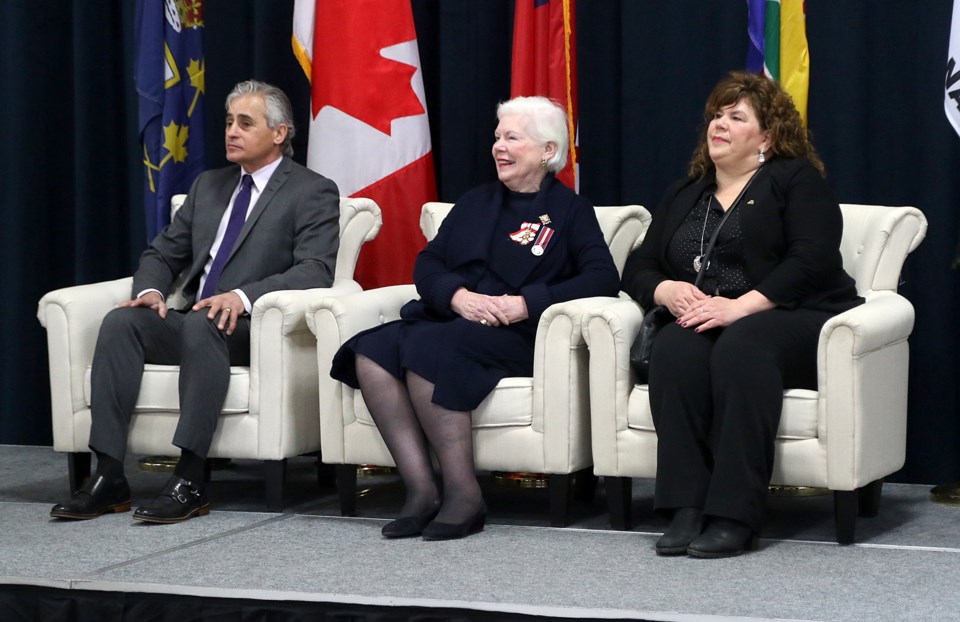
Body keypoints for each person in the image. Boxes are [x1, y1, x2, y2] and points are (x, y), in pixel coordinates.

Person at [51, 80, 341, 524]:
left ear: (280, 133)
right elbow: (160, 254)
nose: (232, 132)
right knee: (121, 323)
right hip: (193, 322)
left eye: (245, 123)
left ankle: (189, 479)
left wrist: (242, 297)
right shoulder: (209, 187)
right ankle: (109, 475)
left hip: (251, 328)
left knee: (204, 323)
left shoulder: (312, 190)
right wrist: (149, 293)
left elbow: (315, 269)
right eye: (228, 122)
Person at [330, 96, 620, 541]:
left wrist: (527, 302)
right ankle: (422, 489)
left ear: (547, 150)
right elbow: (427, 265)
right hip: (452, 319)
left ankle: (464, 495)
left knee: (426, 348)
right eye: (497, 137)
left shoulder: (569, 211)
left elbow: (603, 277)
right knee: (370, 350)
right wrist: (458, 297)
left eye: (512, 138)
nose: (499, 147)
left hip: (515, 334)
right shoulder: (475, 201)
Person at [621, 71, 863, 558]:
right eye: (716, 114)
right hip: (710, 315)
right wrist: (667, 290)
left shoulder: (794, 179)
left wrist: (742, 307)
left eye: (736, 116)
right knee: (675, 348)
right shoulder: (687, 191)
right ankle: (686, 507)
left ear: (767, 137)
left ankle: (735, 513)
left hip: (792, 313)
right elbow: (640, 265)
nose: (720, 124)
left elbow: (812, 259)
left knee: (743, 347)